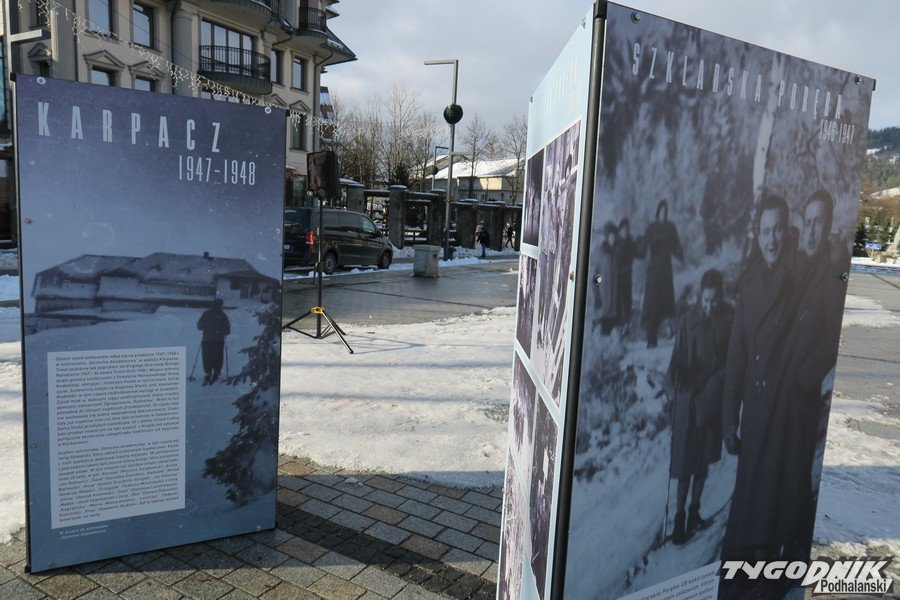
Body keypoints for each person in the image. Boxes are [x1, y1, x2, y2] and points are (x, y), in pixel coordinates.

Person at [721, 194, 796, 565]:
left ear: (787, 230)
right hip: (754, 407)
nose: (772, 240)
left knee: (774, 492)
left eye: (778, 230)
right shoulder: (749, 285)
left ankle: (768, 563)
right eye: (766, 231)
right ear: (758, 234)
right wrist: (729, 419)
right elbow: (736, 358)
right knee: (751, 487)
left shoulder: (797, 280)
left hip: (784, 409)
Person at [666, 269, 733, 545]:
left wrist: (716, 386)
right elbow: (675, 361)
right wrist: (679, 372)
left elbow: (731, 364)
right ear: (699, 296)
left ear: (721, 296)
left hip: (712, 400)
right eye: (705, 301)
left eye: (714, 301)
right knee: (685, 463)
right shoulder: (686, 321)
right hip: (689, 401)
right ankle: (679, 519)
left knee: (703, 460)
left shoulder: (728, 320)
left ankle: (695, 512)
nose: (709, 307)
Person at [638, 200, 684, 348]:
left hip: (666, 270)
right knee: (652, 304)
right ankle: (650, 338)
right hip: (654, 270)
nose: (663, 215)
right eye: (661, 212)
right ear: (658, 212)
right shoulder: (651, 228)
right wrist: (637, 249)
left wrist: (680, 255)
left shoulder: (671, 227)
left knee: (664, 304)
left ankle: (663, 333)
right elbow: (643, 247)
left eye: (666, 212)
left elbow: (676, 245)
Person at [197, 297, 231, 385]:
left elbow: (199, 326)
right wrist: (221, 330)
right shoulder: (223, 315)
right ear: (221, 305)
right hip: (218, 340)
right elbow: (227, 331)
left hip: (207, 340)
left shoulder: (206, 314)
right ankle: (216, 373)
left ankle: (208, 373)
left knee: (206, 357)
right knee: (218, 357)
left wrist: (206, 326)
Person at [613, 218, 638, 329]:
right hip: (617, 275)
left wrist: (637, 242)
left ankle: (627, 323)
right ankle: (618, 323)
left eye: (627, 229)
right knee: (618, 298)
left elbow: (636, 253)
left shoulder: (629, 242)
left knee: (627, 298)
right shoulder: (616, 242)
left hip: (627, 274)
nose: (626, 231)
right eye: (624, 229)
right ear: (620, 229)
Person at [598, 222, 618, 335]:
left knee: (612, 307)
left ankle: (609, 332)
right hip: (605, 284)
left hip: (613, 284)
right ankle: (604, 331)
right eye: (611, 236)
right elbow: (598, 271)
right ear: (607, 237)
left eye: (614, 236)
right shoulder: (603, 251)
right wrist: (597, 286)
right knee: (606, 307)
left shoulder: (615, 251)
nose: (613, 238)